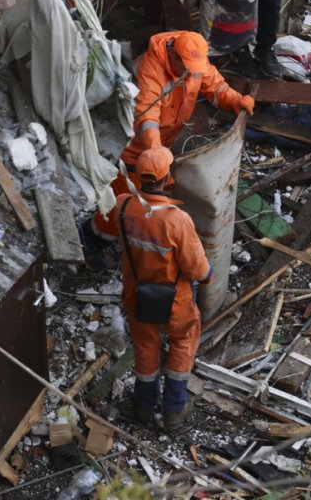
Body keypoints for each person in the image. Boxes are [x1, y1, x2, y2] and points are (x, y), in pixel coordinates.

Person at [89, 147, 212, 432]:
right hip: (175, 301)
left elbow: (102, 231)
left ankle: (143, 408)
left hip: (137, 295)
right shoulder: (177, 220)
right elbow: (198, 271)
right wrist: (210, 274)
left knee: (146, 347)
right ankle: (173, 413)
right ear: (167, 178)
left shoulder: (122, 206)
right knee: (182, 344)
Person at [112, 30, 255, 196]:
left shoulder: (195, 60)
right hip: (135, 144)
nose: (192, 74)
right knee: (131, 199)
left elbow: (215, 86)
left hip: (164, 141)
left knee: (153, 198)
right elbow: (147, 116)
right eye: (188, 69)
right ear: (173, 55)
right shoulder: (150, 69)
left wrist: (234, 100)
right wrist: (156, 153)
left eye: (195, 70)